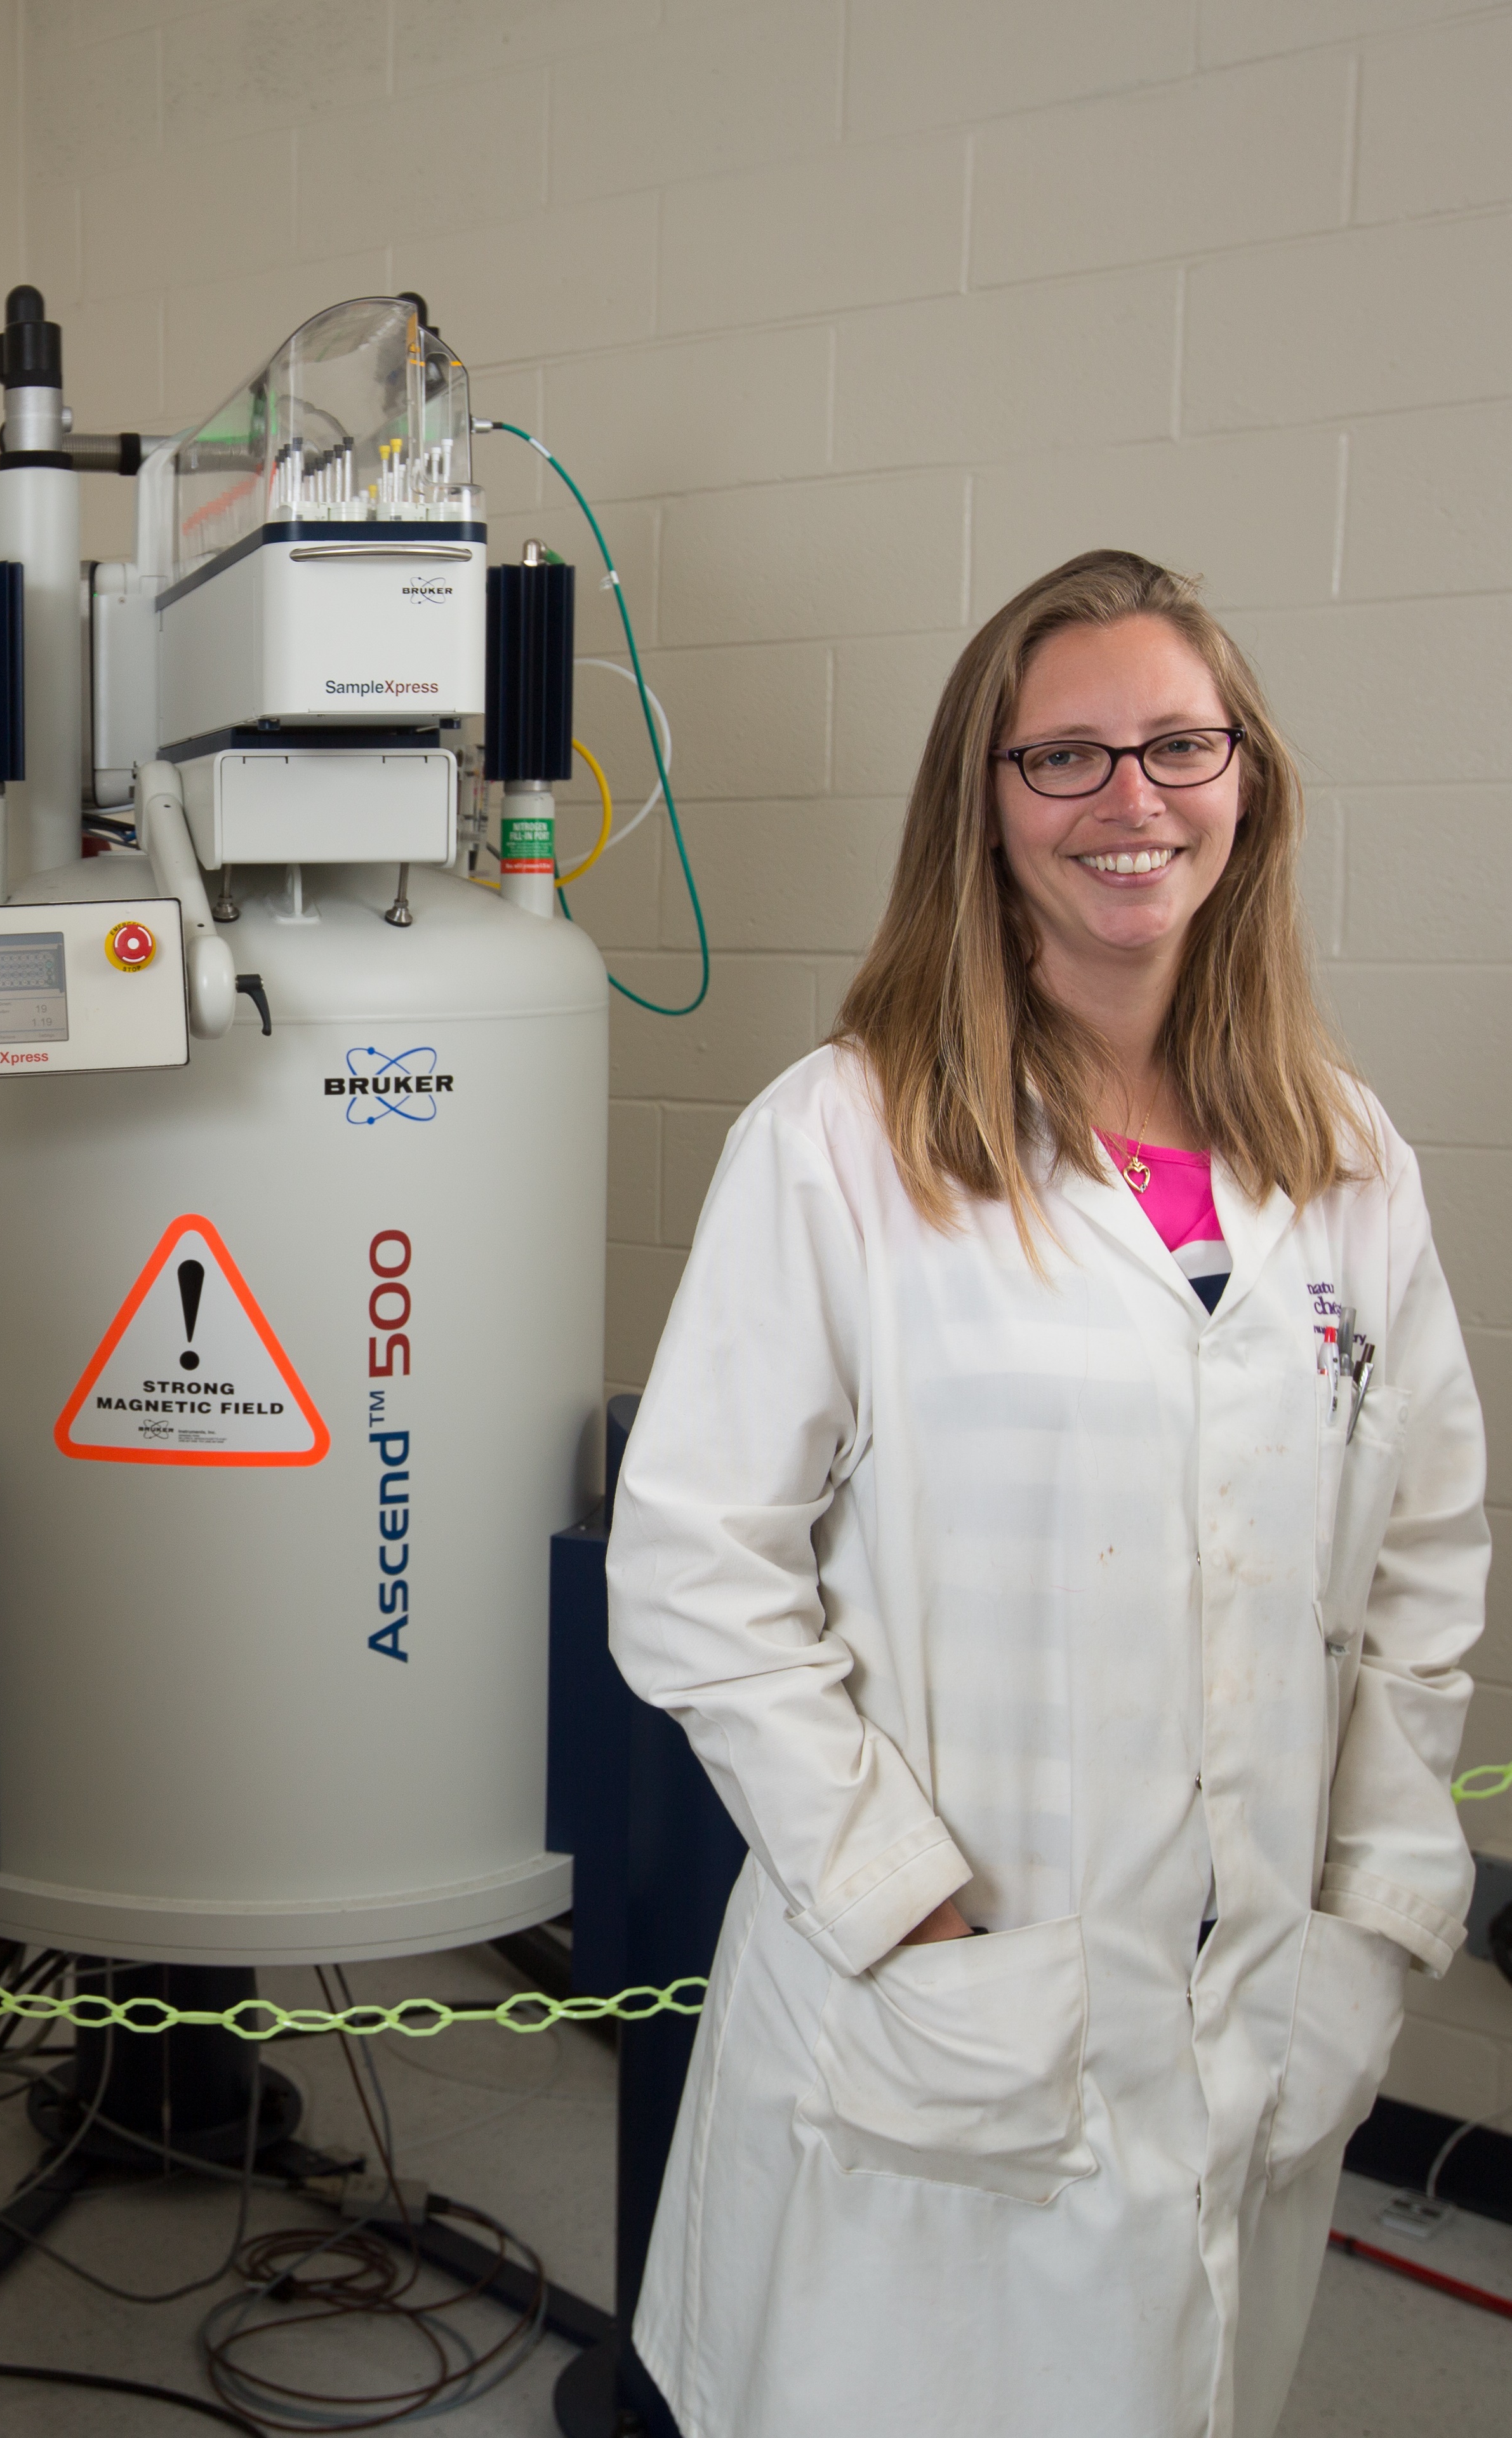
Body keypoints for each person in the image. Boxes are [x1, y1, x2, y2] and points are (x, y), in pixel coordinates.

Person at [606, 550, 1488, 2438]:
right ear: (978, 808)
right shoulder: (839, 1140)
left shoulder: (1340, 1158)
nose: (1130, 802)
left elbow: (1422, 1558)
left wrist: (1372, 1910)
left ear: (1245, 785)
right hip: (938, 2006)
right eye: (1062, 759)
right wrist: (905, 1911)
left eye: (1179, 745)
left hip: (1248, 2007)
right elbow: (692, 1569)